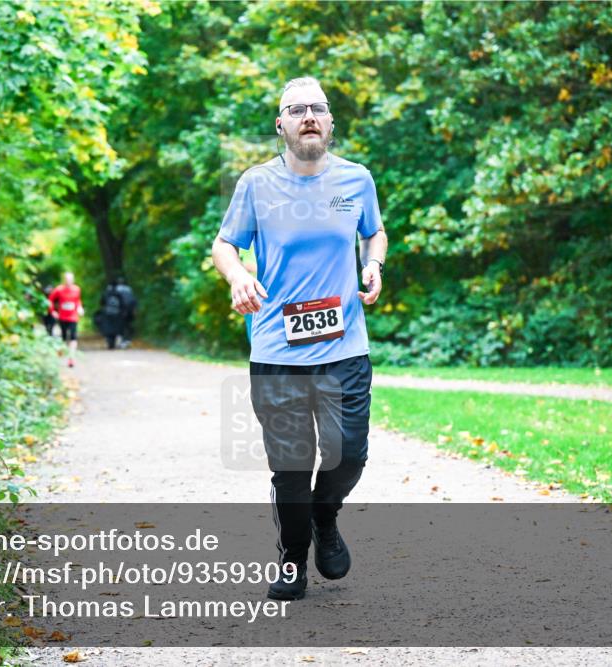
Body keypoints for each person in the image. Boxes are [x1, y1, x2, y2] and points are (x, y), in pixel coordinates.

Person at [211, 76, 387, 601]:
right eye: (296, 109)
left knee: (348, 455)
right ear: (280, 125)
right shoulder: (256, 184)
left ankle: (324, 517)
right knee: (290, 468)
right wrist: (238, 276)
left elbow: (374, 232)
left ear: (330, 122)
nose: (308, 115)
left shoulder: (356, 179)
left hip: (345, 348)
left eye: (318, 108)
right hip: (277, 350)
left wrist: (373, 264)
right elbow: (224, 244)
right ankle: (292, 557)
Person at [49, 271, 84, 367]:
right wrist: (52, 311)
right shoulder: (59, 290)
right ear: (64, 280)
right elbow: (50, 300)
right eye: (67, 279)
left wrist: (80, 307)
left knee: (73, 337)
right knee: (64, 337)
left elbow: (78, 300)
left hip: (73, 317)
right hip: (62, 317)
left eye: (70, 279)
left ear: (73, 280)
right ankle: (60, 354)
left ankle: (71, 358)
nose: (69, 281)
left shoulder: (77, 289)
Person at [96, 280, 125, 350]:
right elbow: (122, 304)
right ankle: (113, 343)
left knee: (108, 329)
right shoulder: (118, 294)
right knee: (115, 329)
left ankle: (110, 343)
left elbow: (101, 303)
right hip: (117, 314)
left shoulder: (106, 293)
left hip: (107, 314)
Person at [113, 276, 138, 349]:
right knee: (128, 325)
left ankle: (120, 341)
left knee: (119, 325)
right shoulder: (129, 289)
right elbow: (133, 299)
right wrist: (134, 310)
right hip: (129, 309)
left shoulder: (116, 289)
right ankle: (127, 340)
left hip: (120, 310)